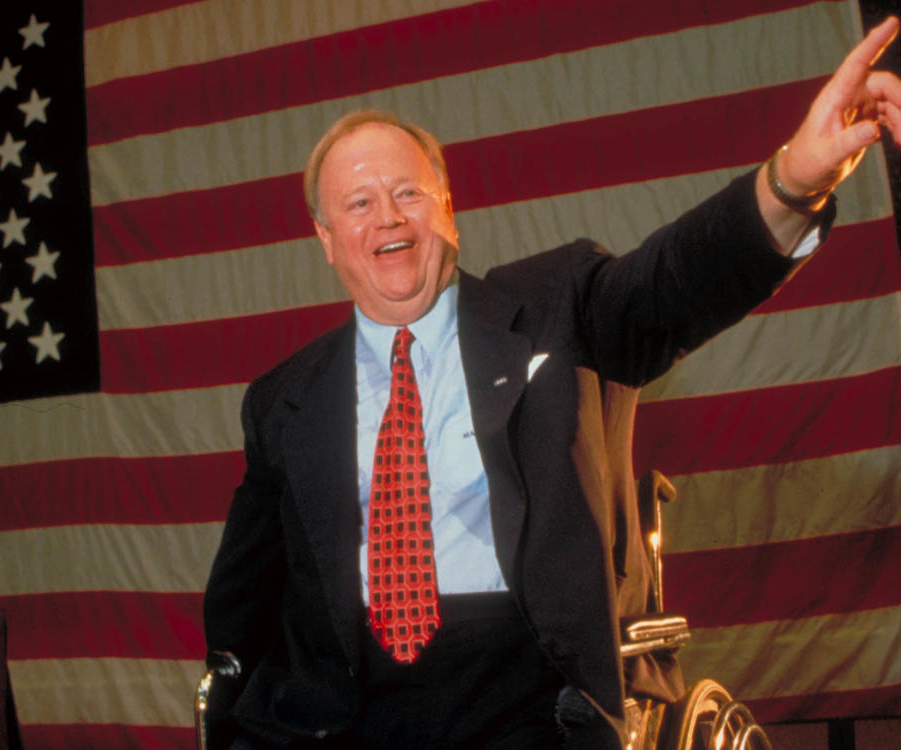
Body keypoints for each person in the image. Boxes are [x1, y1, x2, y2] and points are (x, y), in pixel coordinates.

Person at [204, 17, 901, 749]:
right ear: (325, 239)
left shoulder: (555, 309)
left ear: (447, 207)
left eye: (407, 192)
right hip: (344, 718)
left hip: (526, 705)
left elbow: (675, 281)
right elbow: (240, 613)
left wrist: (792, 179)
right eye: (358, 203)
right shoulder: (284, 400)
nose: (389, 218)